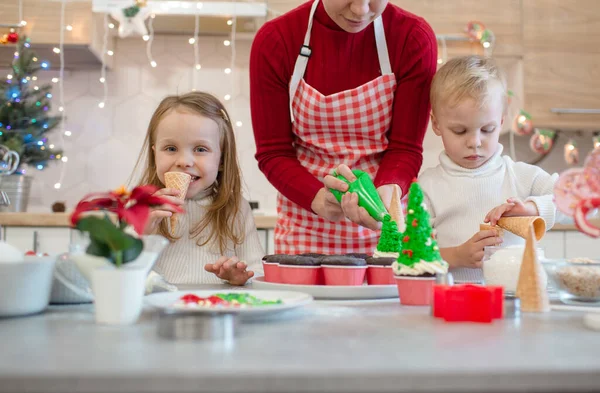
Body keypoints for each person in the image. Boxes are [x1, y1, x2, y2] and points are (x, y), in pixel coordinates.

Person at [250, 0, 437, 254]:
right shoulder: (277, 39)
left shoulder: (412, 38)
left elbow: (405, 149)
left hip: (385, 227)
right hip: (306, 232)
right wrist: (317, 197)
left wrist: (386, 193)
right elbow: (274, 152)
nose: (360, 10)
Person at [419, 55, 558, 283]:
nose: (475, 141)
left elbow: (574, 201)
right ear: (436, 124)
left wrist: (533, 207)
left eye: (487, 129)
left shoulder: (521, 176)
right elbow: (411, 253)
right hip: (452, 300)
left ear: (501, 123)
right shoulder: (427, 187)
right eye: (460, 131)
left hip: (515, 301)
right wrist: (454, 256)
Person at [132, 92, 264, 286]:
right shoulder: (141, 208)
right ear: (155, 154)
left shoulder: (236, 208)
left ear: (221, 159)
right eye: (170, 148)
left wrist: (240, 277)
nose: (184, 161)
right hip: (158, 310)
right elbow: (117, 272)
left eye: (200, 149)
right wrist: (140, 235)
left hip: (217, 309)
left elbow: (258, 272)